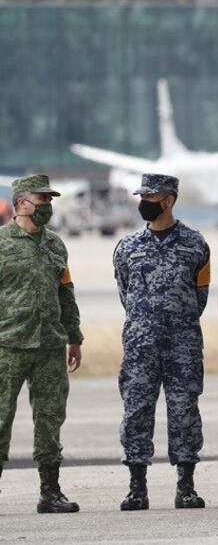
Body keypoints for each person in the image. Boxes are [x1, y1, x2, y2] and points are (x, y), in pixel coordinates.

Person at [113, 174, 211, 510]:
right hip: (140, 346)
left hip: (182, 344)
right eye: (141, 195)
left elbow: (200, 296)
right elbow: (125, 293)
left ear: (168, 200)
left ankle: (186, 486)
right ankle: (136, 487)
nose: (143, 202)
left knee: (185, 411)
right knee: (137, 411)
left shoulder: (195, 244)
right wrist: (147, 323)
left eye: (149, 196)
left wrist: (174, 320)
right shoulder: (127, 247)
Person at [0, 175, 82, 513]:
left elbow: (66, 292)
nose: (47, 205)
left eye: (50, 200)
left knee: (50, 418)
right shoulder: (2, 244)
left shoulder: (55, 245)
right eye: (42, 199)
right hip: (8, 345)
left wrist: (74, 337)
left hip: (50, 346)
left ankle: (50, 492)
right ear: (21, 203)